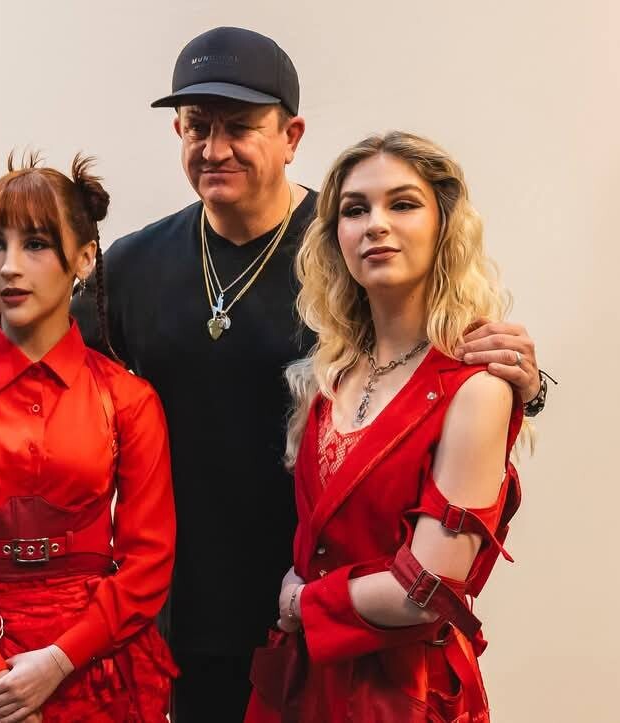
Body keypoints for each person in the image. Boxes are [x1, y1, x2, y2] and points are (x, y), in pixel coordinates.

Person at [73, 26, 547, 721]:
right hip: (190, 612)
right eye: (197, 126)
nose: (214, 148)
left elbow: (436, 365)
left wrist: (525, 387)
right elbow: (53, 378)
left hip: (328, 619)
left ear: (291, 136)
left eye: (240, 127)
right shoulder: (134, 266)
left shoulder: (348, 247)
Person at [247, 131, 525, 722]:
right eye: (355, 210)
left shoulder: (476, 386)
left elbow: (426, 590)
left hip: (403, 695)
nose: (376, 224)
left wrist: (301, 601)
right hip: (304, 684)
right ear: (335, 239)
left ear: (443, 226)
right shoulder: (329, 375)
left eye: (402, 204)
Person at [0, 154, 177, 723]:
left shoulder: (128, 398)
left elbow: (149, 559)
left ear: (85, 258)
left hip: (94, 660)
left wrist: (59, 662)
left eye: (37, 245)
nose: (9, 267)